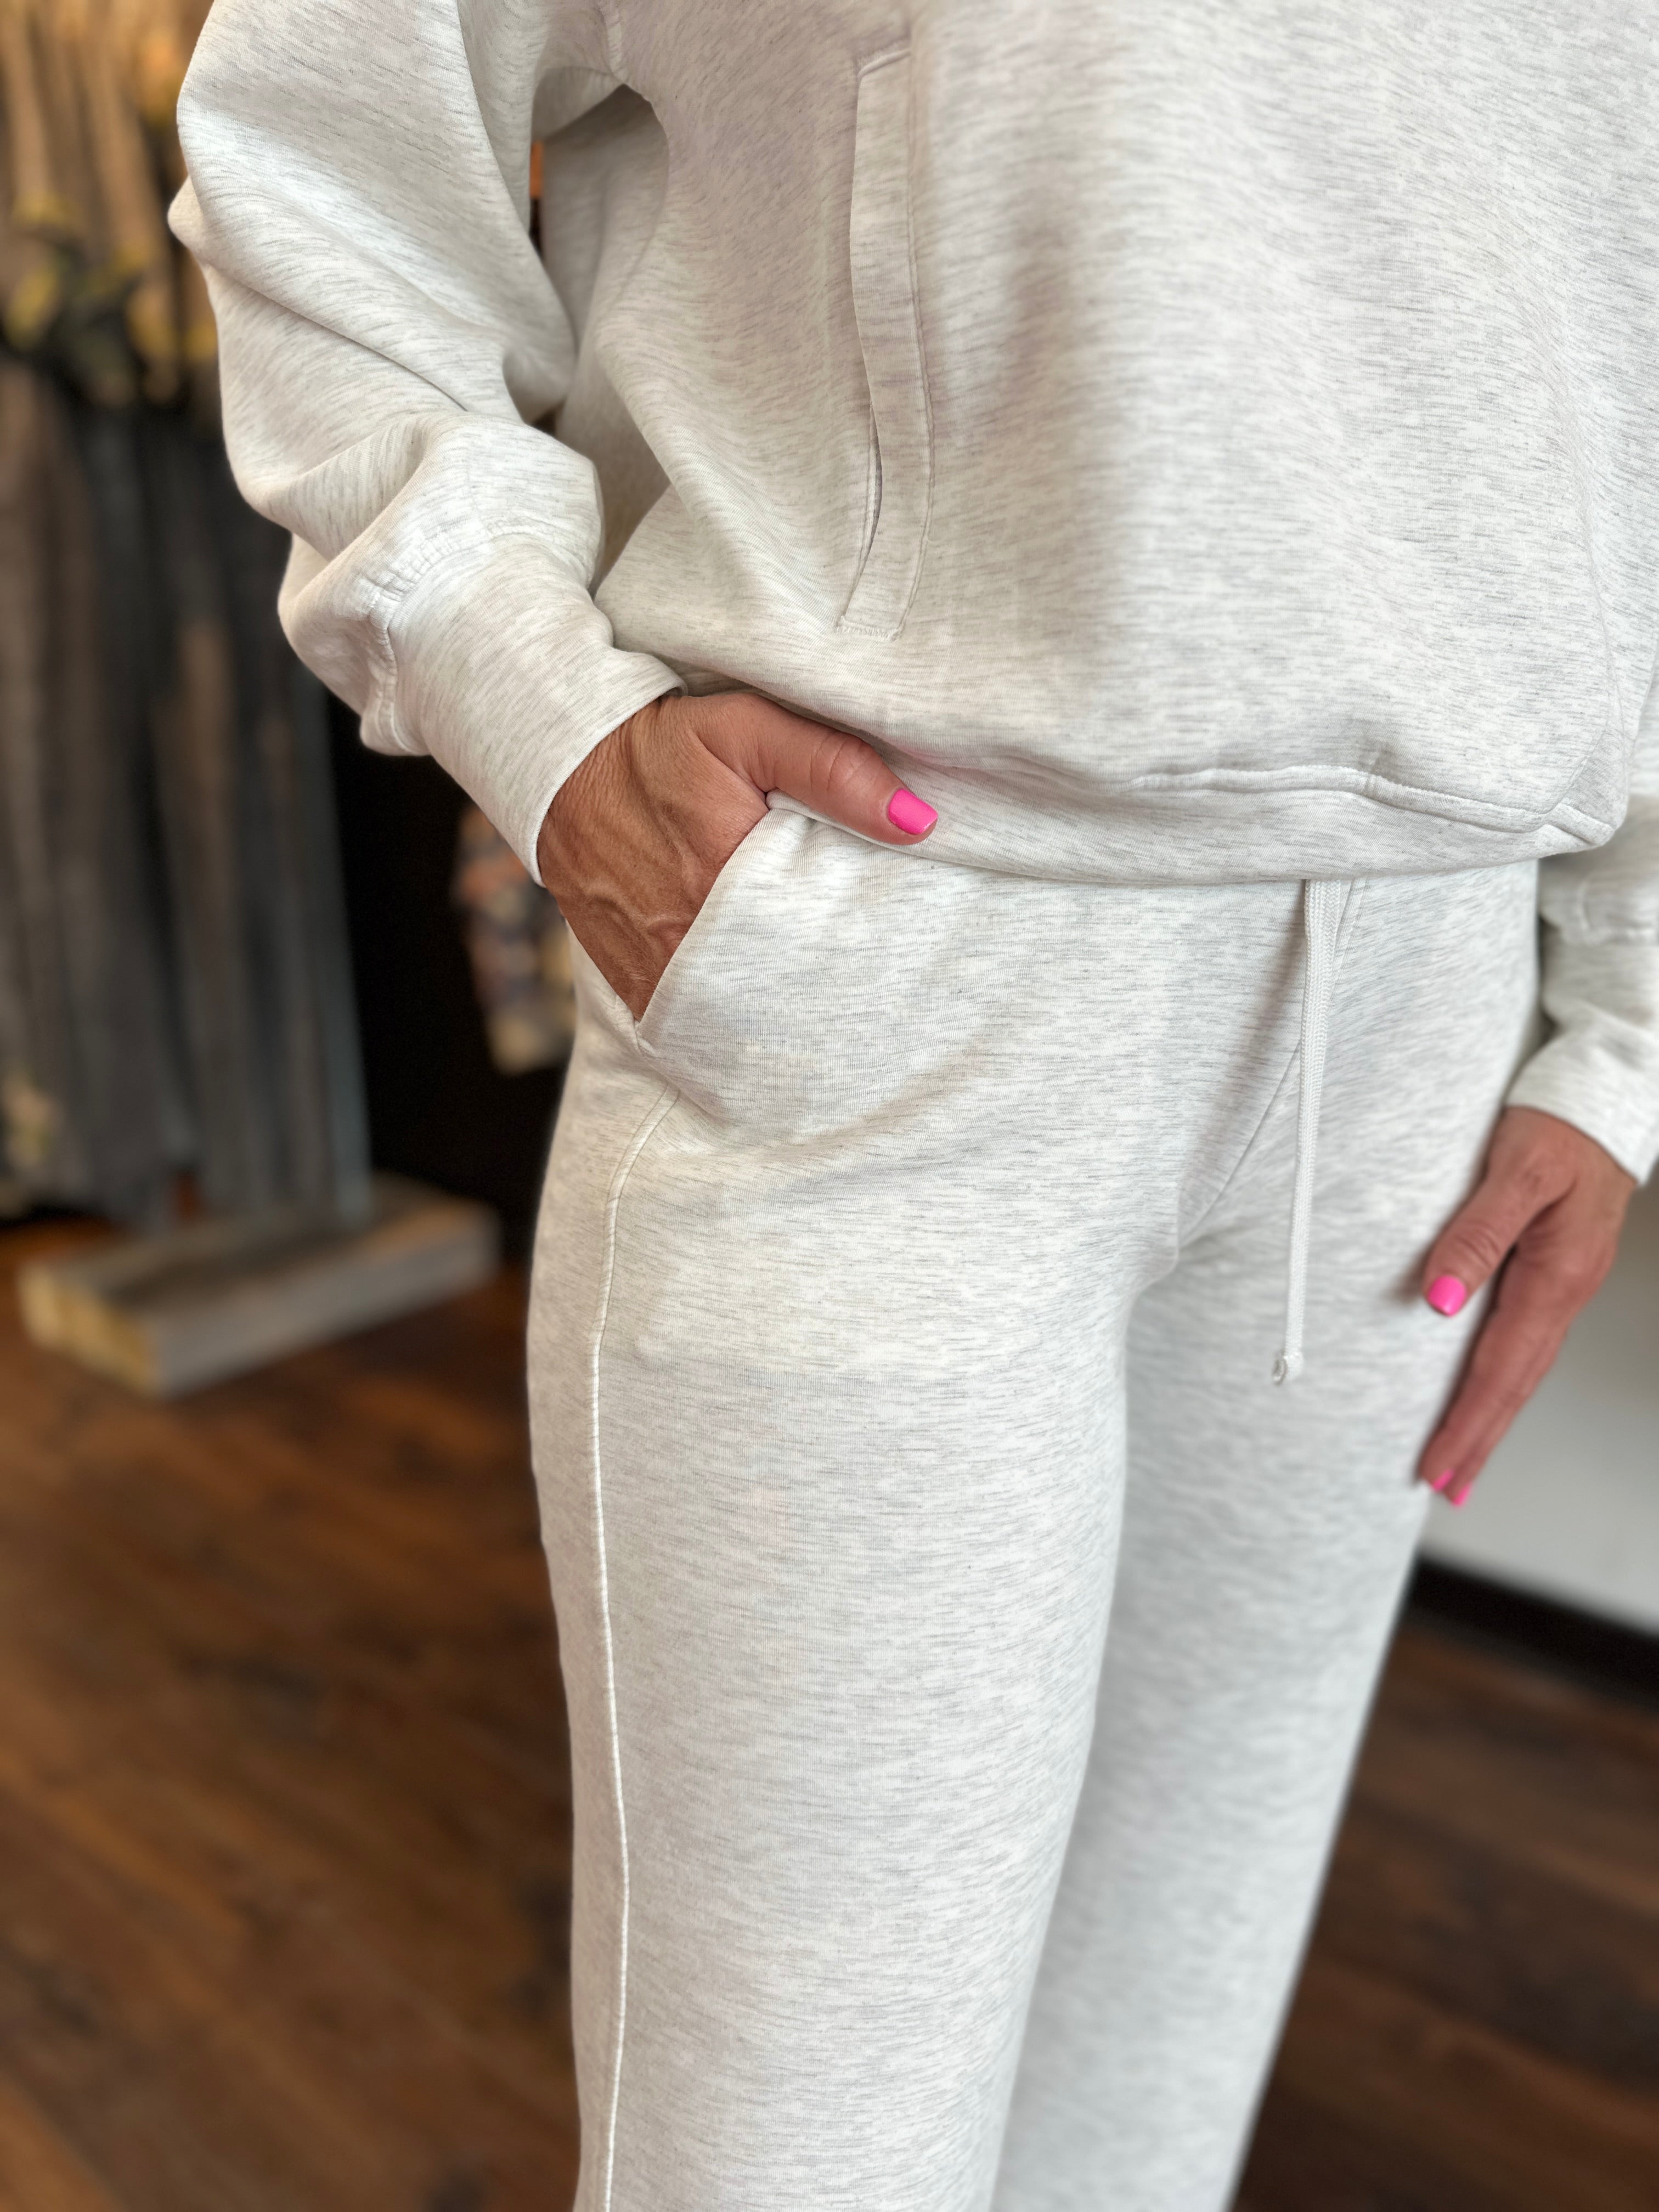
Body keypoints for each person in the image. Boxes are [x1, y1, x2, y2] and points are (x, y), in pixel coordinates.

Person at [171, 5, 1658, 2205]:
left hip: (1425, 1020)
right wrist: (536, 706)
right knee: (797, 2149)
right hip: (890, 957)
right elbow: (323, 154)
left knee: (1147, 2095)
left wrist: (1626, 1025)